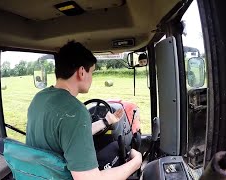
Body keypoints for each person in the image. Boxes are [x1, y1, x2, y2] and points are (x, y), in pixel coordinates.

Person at [26, 41, 142, 180]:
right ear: (81, 72)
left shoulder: (39, 98)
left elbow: (66, 134)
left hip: (39, 175)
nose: (91, 78)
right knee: (116, 152)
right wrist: (136, 162)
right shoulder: (75, 111)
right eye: (91, 72)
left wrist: (106, 121)